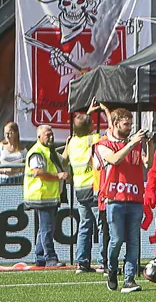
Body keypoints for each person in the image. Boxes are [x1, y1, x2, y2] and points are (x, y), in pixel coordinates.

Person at [95, 107, 150, 293]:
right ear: (116, 123)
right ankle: (111, 269)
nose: (129, 128)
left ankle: (129, 279)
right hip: (114, 199)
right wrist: (132, 143)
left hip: (135, 198)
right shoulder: (103, 145)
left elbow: (147, 163)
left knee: (134, 241)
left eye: (131, 124)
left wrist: (148, 144)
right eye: (126, 124)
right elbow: (115, 159)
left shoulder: (135, 144)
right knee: (116, 240)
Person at [23, 123, 67, 268]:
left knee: (44, 228)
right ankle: (50, 258)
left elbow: (63, 161)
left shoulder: (49, 150)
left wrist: (68, 145)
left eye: (51, 134)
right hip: (41, 195)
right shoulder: (37, 151)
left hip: (49, 195)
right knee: (47, 228)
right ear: (39, 136)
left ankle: (40, 257)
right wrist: (58, 176)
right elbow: (37, 171)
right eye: (47, 134)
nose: (51, 137)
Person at [64, 111, 100, 274]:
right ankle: (103, 261)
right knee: (102, 224)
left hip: (79, 189)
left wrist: (88, 113)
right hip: (94, 187)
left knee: (84, 226)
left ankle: (82, 262)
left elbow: (78, 128)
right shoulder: (93, 139)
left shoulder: (72, 142)